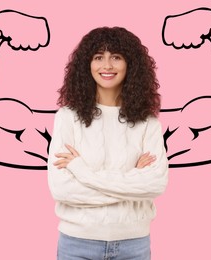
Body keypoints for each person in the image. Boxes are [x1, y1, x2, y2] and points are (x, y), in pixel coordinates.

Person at [47, 27, 169, 260]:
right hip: (77, 244)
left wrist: (81, 170)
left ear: (130, 63)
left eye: (116, 57)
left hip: (134, 246)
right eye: (98, 57)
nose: (107, 65)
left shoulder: (148, 122)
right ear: (87, 64)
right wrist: (133, 181)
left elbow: (156, 184)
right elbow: (62, 189)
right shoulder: (67, 117)